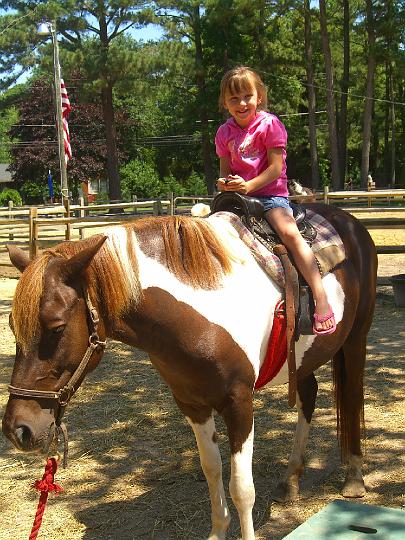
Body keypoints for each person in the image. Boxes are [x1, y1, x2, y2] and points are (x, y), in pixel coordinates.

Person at [215, 66, 335, 335]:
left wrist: (249, 185)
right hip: (236, 198)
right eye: (234, 99)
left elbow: (274, 168)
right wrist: (223, 183)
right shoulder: (224, 133)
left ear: (260, 97)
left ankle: (321, 295)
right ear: (225, 102)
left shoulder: (269, 124)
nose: (242, 103)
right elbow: (224, 171)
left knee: (290, 234)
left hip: (270, 195)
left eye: (247, 96)